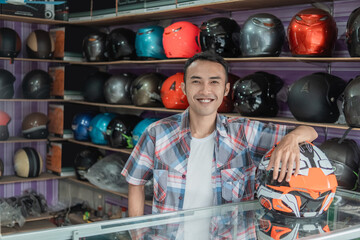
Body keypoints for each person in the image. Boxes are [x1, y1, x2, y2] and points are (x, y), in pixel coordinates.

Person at [121, 51, 318, 218]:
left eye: (214, 82)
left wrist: (291, 139)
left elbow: (311, 131)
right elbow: (135, 182)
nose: (205, 90)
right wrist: (137, 235)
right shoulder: (157, 133)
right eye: (196, 82)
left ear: (225, 90)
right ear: (184, 88)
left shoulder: (245, 132)